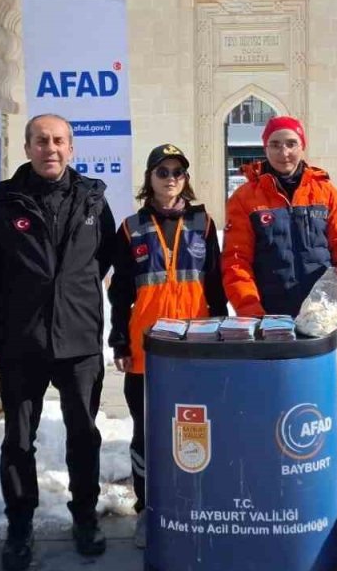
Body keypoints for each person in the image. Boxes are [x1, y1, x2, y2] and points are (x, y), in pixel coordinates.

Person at [0, 114, 116, 571]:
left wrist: (76, 299)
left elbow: (105, 258)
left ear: (71, 148)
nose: (50, 148)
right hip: (21, 341)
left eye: (58, 141)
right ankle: (19, 526)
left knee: (84, 436)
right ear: (28, 148)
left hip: (79, 342)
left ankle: (85, 516)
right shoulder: (6, 200)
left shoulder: (93, 200)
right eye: (40, 141)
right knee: (18, 440)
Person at [107, 143, 228, 548]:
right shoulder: (130, 227)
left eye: (178, 171)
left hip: (194, 348)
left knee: (195, 429)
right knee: (146, 434)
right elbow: (120, 291)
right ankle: (147, 510)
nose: (171, 178)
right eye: (162, 171)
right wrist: (120, 339)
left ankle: (193, 502)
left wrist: (220, 332)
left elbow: (216, 285)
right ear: (149, 178)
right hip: (147, 350)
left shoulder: (203, 223)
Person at [222, 116, 337, 343]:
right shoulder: (244, 198)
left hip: (320, 319)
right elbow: (236, 262)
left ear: (302, 146)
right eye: (275, 144)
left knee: (313, 379)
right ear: (265, 148)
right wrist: (253, 316)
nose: (284, 152)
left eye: (291, 143)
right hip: (269, 324)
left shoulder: (325, 193)